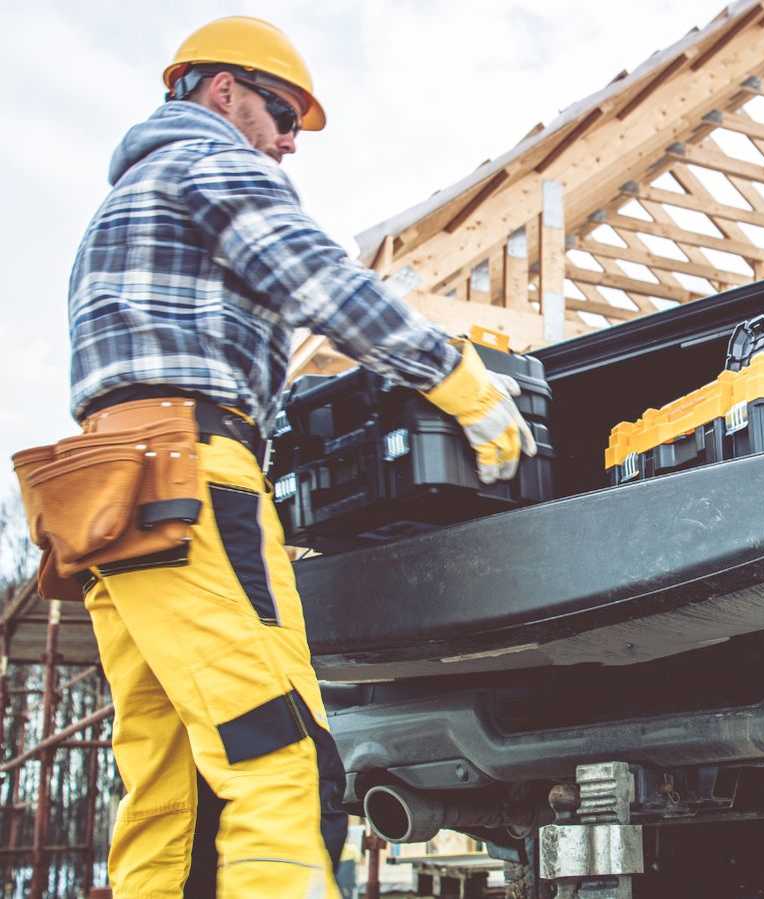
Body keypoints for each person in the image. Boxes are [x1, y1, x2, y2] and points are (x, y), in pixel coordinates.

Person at [65, 16, 533, 897]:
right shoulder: (210, 162)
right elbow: (323, 281)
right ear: (221, 90)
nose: (287, 141)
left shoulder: (120, 203)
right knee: (276, 750)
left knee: (170, 784)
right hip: (190, 480)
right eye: (280, 113)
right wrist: (462, 382)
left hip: (107, 496)